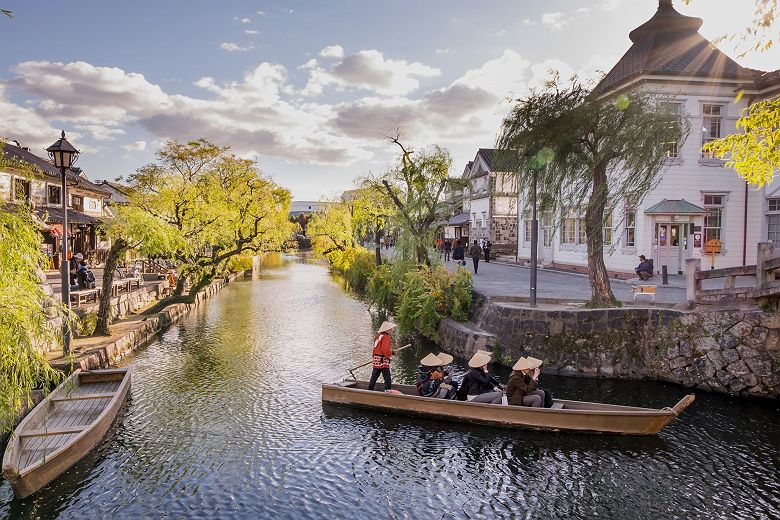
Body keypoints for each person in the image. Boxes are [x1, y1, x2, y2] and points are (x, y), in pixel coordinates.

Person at [368, 321, 397, 391]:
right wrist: (390, 353)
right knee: (387, 377)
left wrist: (391, 351)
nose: (391, 330)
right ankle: (388, 390)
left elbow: (377, 348)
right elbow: (385, 349)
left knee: (374, 376)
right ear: (386, 330)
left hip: (376, 359)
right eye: (390, 329)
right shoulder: (386, 337)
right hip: (382, 360)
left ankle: (370, 389)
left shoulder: (377, 337)